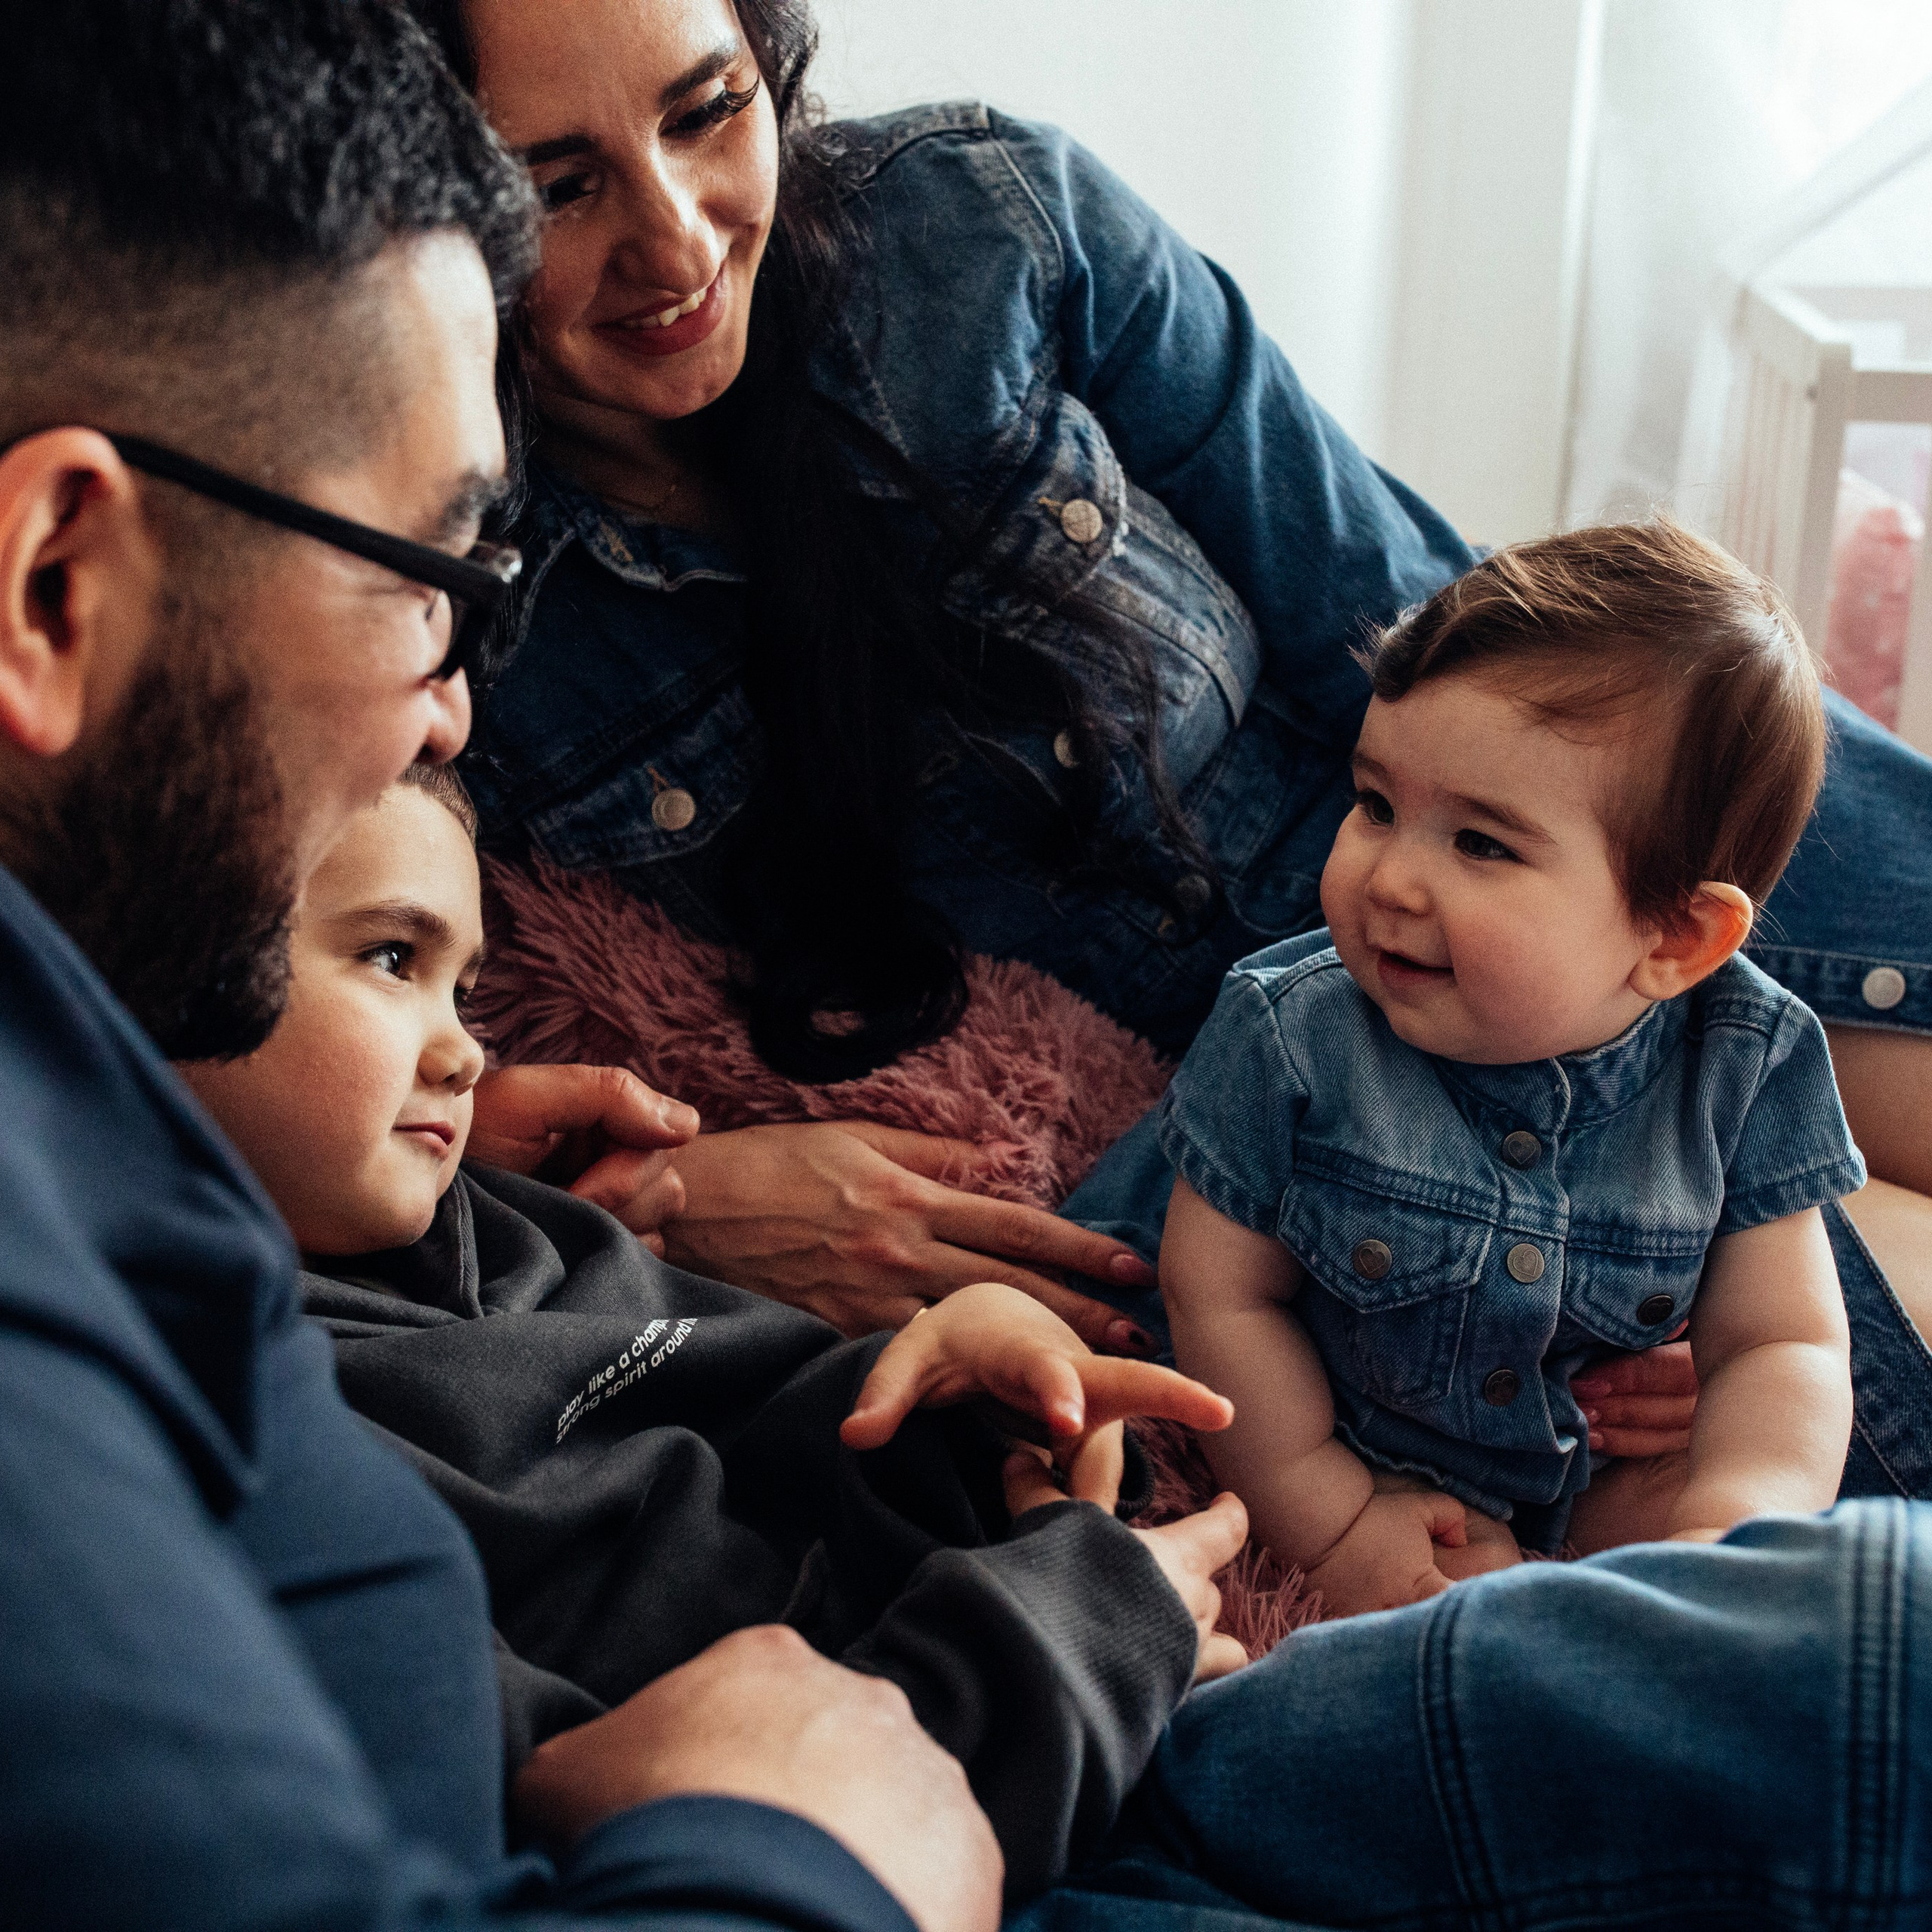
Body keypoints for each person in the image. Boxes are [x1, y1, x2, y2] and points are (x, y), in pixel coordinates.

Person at [398, 0, 1932, 1417]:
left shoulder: (984, 224)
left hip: (1514, 837)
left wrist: (1588, 985)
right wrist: (677, 1195)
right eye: (556, 186)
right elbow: (367, 1077)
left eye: (707, 111)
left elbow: (1402, 615)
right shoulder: (442, 581)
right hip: (1250, 1100)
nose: (674, 238)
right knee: (1833, 1515)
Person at [0, 6, 1004, 1928]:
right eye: (428, 575)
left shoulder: (95, 1063)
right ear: (59, 584)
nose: (450, 715)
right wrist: (791, 1847)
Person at [178, 763, 1247, 1901]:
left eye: (464, 990)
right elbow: (614, 1820)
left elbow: (789, 1412)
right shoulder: (243, 1440)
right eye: (392, 958)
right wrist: (1081, 1632)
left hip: (1075, 1685)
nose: (466, 1054)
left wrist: (963, 1391)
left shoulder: (513, 1225)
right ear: (136, 984)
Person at [1160, 524, 1864, 1616]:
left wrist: (1736, 1524)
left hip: (1591, 1478)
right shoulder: (1287, 1034)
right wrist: (1334, 1514)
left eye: (1481, 845)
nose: (1390, 879)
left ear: (1673, 941)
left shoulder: (1744, 1064)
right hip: (1347, 1442)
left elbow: (1782, 1341)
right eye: (1378, 804)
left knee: (1813, 1563)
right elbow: (1219, 1301)